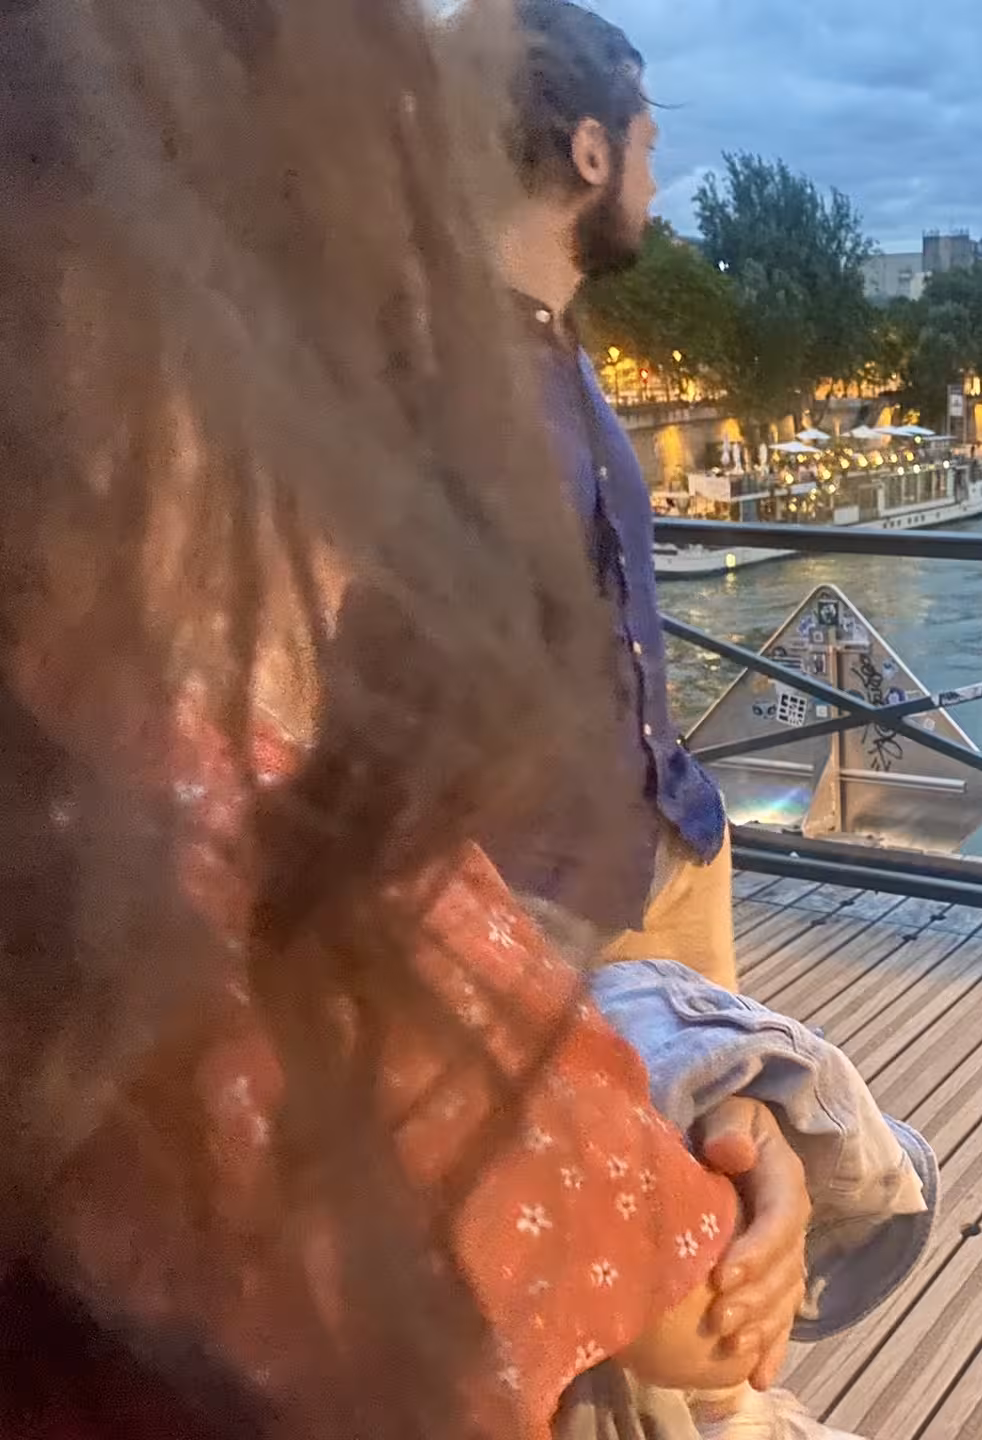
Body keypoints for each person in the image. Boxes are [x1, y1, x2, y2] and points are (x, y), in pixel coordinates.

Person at [0, 2, 803, 1436]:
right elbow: (696, 1295)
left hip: (629, 855)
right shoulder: (214, 867)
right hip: (504, 894)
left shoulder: (564, 369)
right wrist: (736, 1152)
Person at [483, 0, 739, 989]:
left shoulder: (564, 351)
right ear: (592, 151)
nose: (655, 182)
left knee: (721, 1087)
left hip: (669, 845)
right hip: (545, 906)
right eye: (648, 148)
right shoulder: (442, 372)